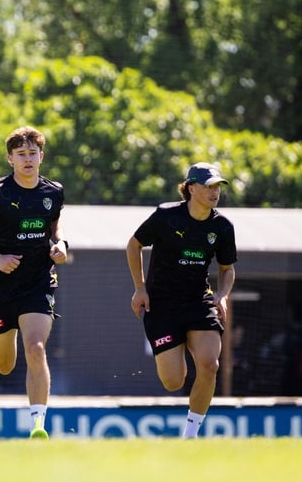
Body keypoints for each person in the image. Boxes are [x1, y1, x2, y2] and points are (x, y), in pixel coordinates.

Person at [0, 126, 68, 439]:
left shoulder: (53, 192)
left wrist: (61, 246)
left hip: (38, 281)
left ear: (41, 156)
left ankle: (38, 425)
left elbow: (55, 229)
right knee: (4, 365)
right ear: (10, 159)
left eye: (33, 153)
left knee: (35, 347)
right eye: (21, 154)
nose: (28, 159)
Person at [126, 162, 237, 438]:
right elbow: (134, 244)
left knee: (210, 365)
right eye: (208, 186)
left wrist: (222, 295)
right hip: (161, 306)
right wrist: (140, 288)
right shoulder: (166, 216)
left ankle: (190, 436)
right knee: (174, 382)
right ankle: (179, 346)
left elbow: (227, 269)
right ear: (190, 188)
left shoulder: (222, 226)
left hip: (199, 303)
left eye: (217, 187)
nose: (214, 192)